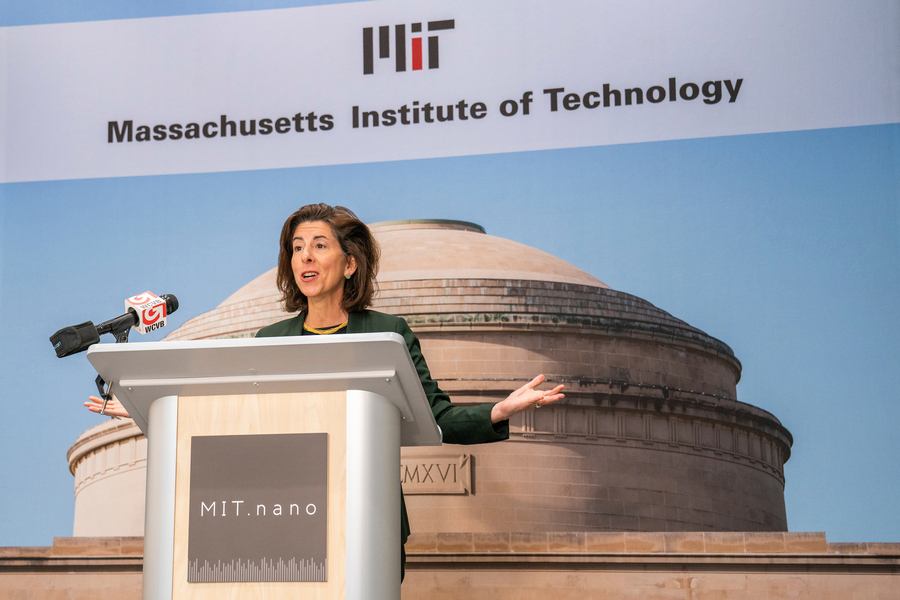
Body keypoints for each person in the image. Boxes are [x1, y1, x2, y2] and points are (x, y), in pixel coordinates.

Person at [86, 203, 565, 580]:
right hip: (280, 516)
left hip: (363, 520)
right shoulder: (270, 341)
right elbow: (230, 412)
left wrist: (500, 409)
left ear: (350, 263)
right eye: (297, 248)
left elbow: (436, 417)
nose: (305, 258)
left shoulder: (386, 333)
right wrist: (153, 407)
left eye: (319, 246)